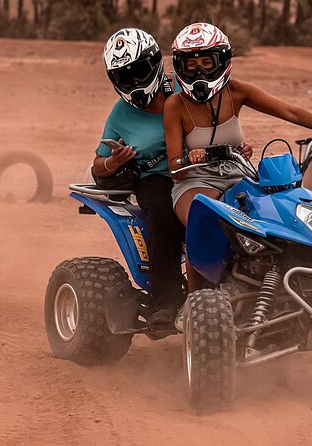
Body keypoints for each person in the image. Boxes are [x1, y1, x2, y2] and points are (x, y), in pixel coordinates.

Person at [164, 22, 312, 291]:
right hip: (195, 181)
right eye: (191, 64)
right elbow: (174, 167)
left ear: (223, 61)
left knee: (276, 217)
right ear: (180, 65)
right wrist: (191, 156)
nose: (199, 70)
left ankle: (278, 286)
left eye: (207, 62)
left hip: (238, 174)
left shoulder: (237, 92)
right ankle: (196, 302)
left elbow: (289, 112)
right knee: (202, 219)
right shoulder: (176, 104)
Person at [93, 28, 184, 324]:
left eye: (139, 71)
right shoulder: (119, 114)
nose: (133, 82)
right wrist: (112, 162)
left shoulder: (184, 88)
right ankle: (165, 302)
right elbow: (97, 165)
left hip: (200, 170)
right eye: (123, 77)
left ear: (156, 62)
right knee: (162, 215)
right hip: (156, 180)